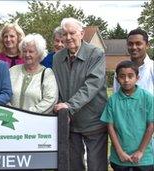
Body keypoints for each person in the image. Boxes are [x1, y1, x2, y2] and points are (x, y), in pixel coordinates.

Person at [53, 17, 108, 170]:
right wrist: (63, 111)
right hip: (70, 122)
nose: (68, 37)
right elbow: (56, 86)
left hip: (93, 120)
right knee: (74, 165)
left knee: (96, 165)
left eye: (72, 33)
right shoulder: (57, 58)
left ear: (82, 33)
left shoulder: (96, 53)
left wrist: (69, 106)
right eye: (65, 34)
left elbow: (92, 84)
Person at [101, 60, 154, 170]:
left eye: (130, 76)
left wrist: (140, 151)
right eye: (122, 76)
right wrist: (120, 152)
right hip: (119, 158)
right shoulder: (112, 100)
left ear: (137, 78)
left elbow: (151, 126)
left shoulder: (148, 98)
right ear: (117, 79)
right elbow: (110, 127)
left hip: (144, 158)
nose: (126, 80)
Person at [9, 33, 58, 113]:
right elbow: (4, 93)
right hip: (11, 121)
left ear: (39, 53)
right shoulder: (12, 71)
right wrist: (11, 111)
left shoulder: (47, 74)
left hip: (36, 122)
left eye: (31, 51)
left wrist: (28, 114)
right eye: (24, 51)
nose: (27, 54)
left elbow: (50, 100)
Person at [113, 28, 154, 95]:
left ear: (147, 45)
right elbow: (116, 95)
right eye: (130, 44)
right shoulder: (121, 69)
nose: (134, 47)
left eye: (138, 44)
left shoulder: (152, 68)